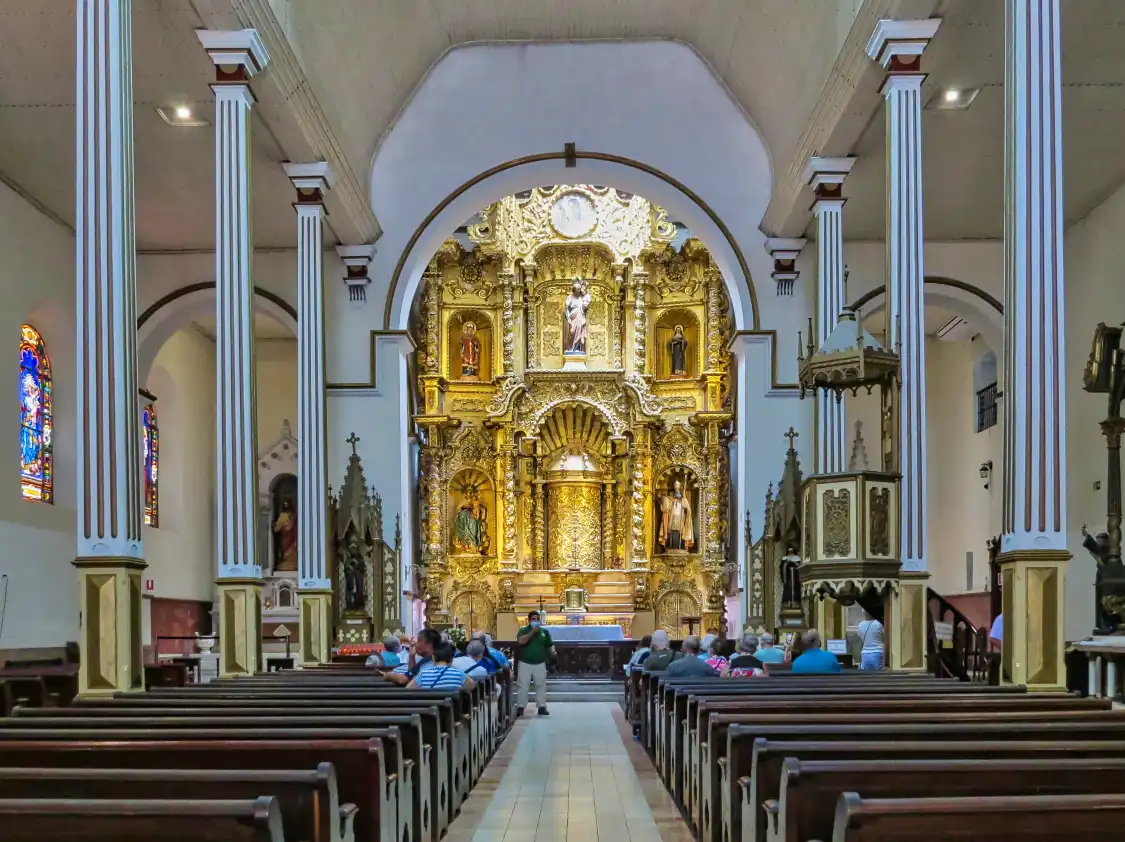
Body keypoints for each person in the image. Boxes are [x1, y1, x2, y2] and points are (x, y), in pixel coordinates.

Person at [515, 610, 554, 716]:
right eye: (533, 619)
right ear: (529, 620)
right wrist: (533, 632)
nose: (536, 621)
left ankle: (541, 707)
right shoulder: (523, 630)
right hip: (525, 662)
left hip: (540, 662)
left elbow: (550, 645)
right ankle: (521, 707)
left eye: (537, 619)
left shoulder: (544, 632)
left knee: (540, 685)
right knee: (523, 685)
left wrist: (553, 654)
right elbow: (521, 641)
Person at [407, 642, 476, 690]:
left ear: (433, 658)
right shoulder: (458, 673)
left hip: (429, 710)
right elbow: (472, 685)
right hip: (451, 710)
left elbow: (408, 689)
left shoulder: (423, 674)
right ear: (452, 659)